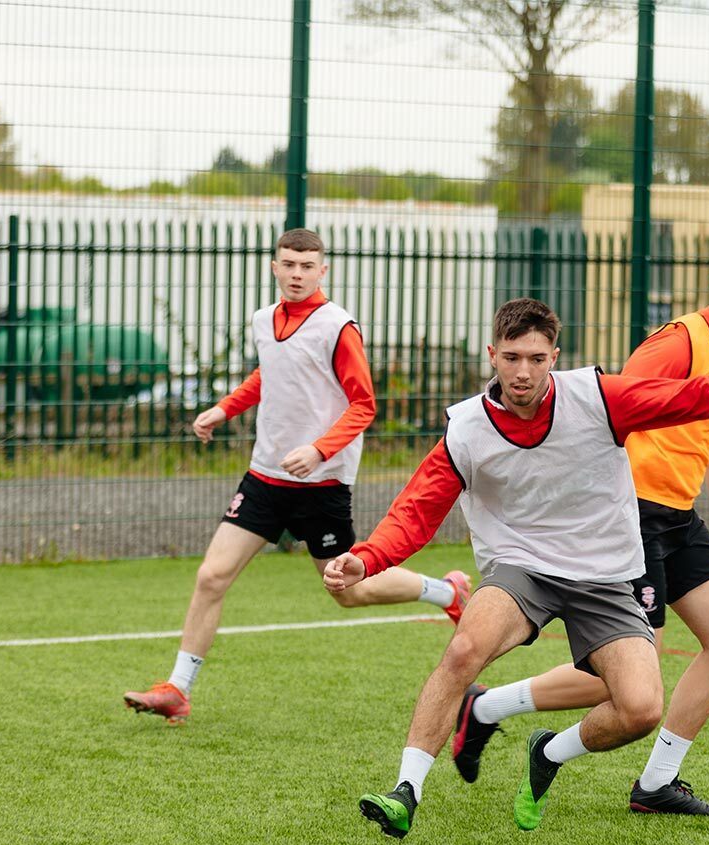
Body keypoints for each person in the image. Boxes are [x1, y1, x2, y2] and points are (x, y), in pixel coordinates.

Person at [323, 297, 709, 839]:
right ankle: (405, 790)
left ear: (555, 356)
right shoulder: (467, 428)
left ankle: (548, 750)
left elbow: (682, 398)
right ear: (491, 355)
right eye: (512, 357)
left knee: (640, 709)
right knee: (464, 648)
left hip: (605, 574)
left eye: (537, 358)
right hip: (521, 568)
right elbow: (415, 511)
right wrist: (366, 559)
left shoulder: (598, 397)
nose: (523, 371)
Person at [448, 238, 709, 816]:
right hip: (632, 515)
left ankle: (656, 783)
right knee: (628, 676)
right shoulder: (681, 340)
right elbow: (615, 407)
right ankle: (484, 709)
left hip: (678, 516)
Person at [122, 228, 470, 725]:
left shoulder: (337, 327)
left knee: (349, 593)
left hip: (322, 485)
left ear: (322, 270)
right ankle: (178, 689)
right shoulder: (264, 320)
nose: (297, 274)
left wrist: (319, 449)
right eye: (288, 264)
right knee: (211, 575)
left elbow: (363, 404)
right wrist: (224, 409)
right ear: (274, 266)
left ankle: (447, 592)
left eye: (307, 266)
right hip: (265, 476)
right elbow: (271, 373)